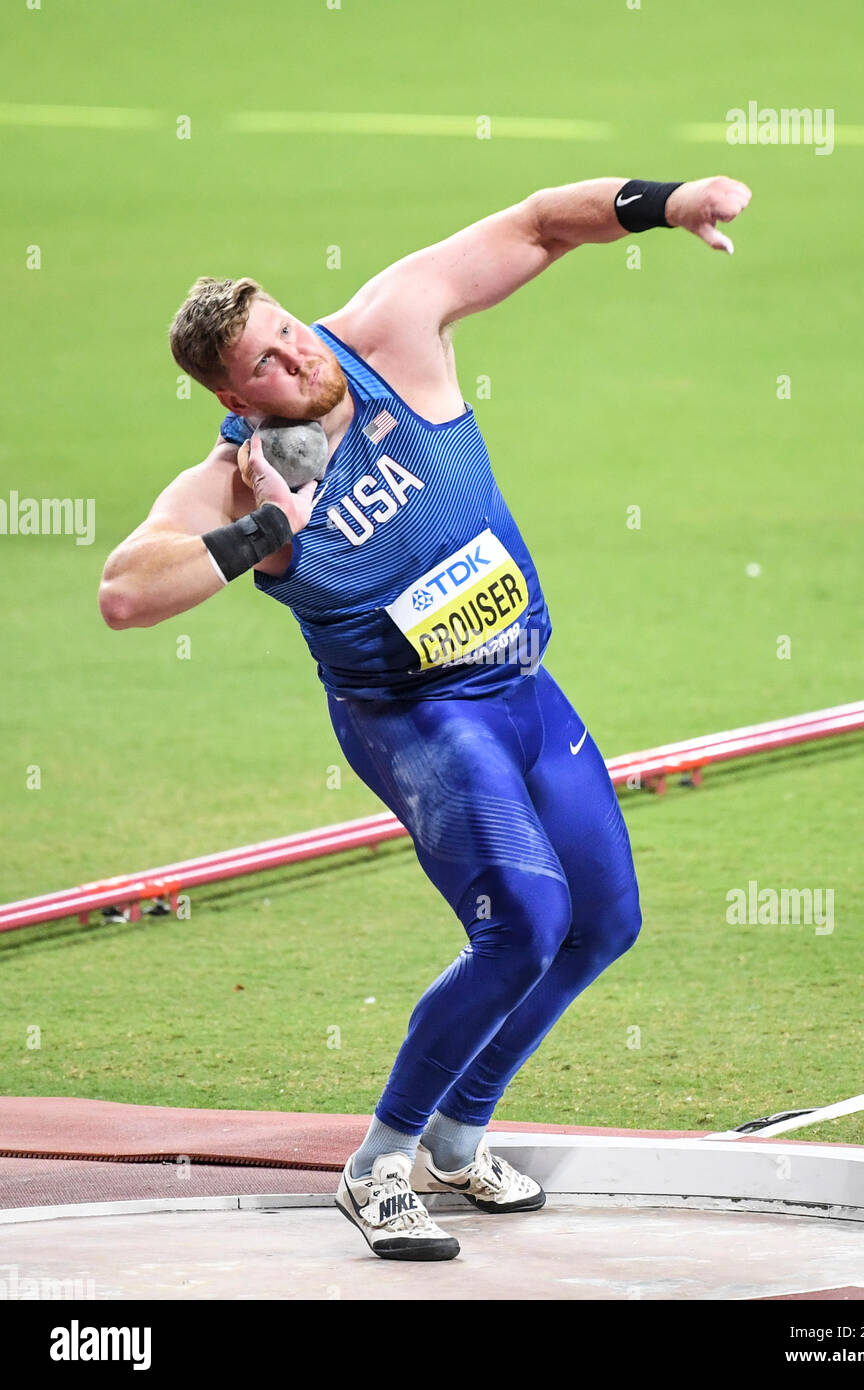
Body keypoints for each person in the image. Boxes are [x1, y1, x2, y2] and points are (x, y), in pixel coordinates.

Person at [99, 174, 752, 1261]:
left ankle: (458, 1131)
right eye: (263, 361)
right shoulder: (232, 481)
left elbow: (541, 223)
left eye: (288, 331)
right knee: (523, 926)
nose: (296, 356)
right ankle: (377, 1165)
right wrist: (256, 532)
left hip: (523, 689)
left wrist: (668, 201)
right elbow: (126, 592)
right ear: (232, 395)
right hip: (415, 721)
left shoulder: (387, 331)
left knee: (603, 921)